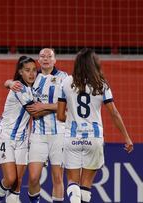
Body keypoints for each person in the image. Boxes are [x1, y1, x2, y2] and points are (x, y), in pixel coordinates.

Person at [57, 48, 133, 203]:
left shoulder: (66, 82)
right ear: (94, 64)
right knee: (86, 186)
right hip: (94, 138)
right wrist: (127, 138)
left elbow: (59, 115)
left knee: (72, 182)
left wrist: (73, 121)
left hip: (72, 138)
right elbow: (114, 113)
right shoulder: (101, 85)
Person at [6, 48, 67, 202]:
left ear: (55, 60)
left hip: (59, 133)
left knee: (57, 177)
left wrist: (43, 106)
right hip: (38, 134)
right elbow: (14, 84)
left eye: (49, 56)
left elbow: (67, 106)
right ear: (39, 60)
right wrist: (9, 83)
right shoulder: (34, 77)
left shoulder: (64, 78)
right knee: (33, 178)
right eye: (42, 56)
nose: (46, 58)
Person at [0, 56, 37, 203]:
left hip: (22, 139)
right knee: (10, 179)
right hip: (5, 136)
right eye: (27, 70)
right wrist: (58, 108)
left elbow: (7, 83)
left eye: (34, 70)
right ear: (20, 72)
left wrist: (8, 82)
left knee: (17, 183)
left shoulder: (34, 87)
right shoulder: (19, 88)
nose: (31, 74)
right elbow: (35, 111)